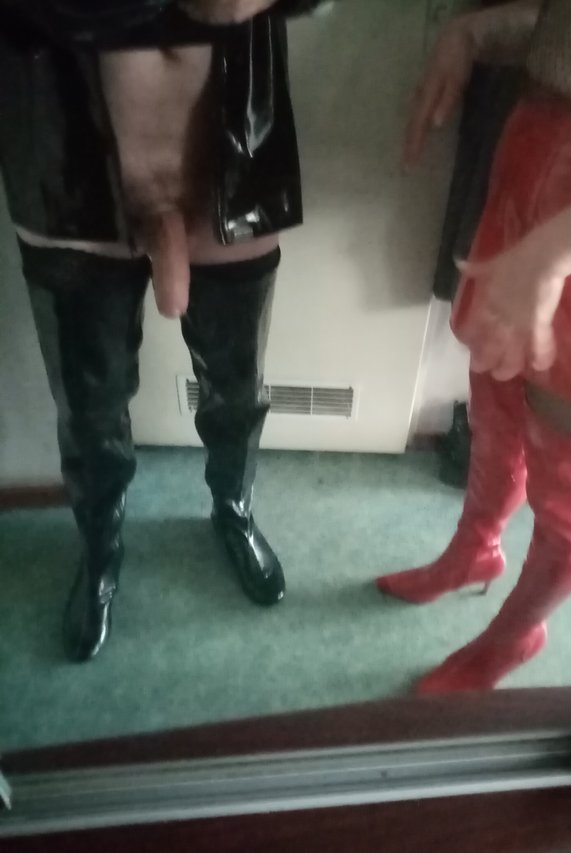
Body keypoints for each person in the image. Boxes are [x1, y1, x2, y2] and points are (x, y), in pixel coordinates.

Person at [0, 0, 327, 662]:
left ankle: (233, 509)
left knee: (237, 386)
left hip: (231, 156)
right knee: (89, 406)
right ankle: (100, 547)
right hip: (66, 163)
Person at [377, 0, 571, 691]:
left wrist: (552, 254)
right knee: (496, 412)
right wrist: (472, 30)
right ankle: (474, 551)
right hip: (531, 166)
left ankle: (515, 637)